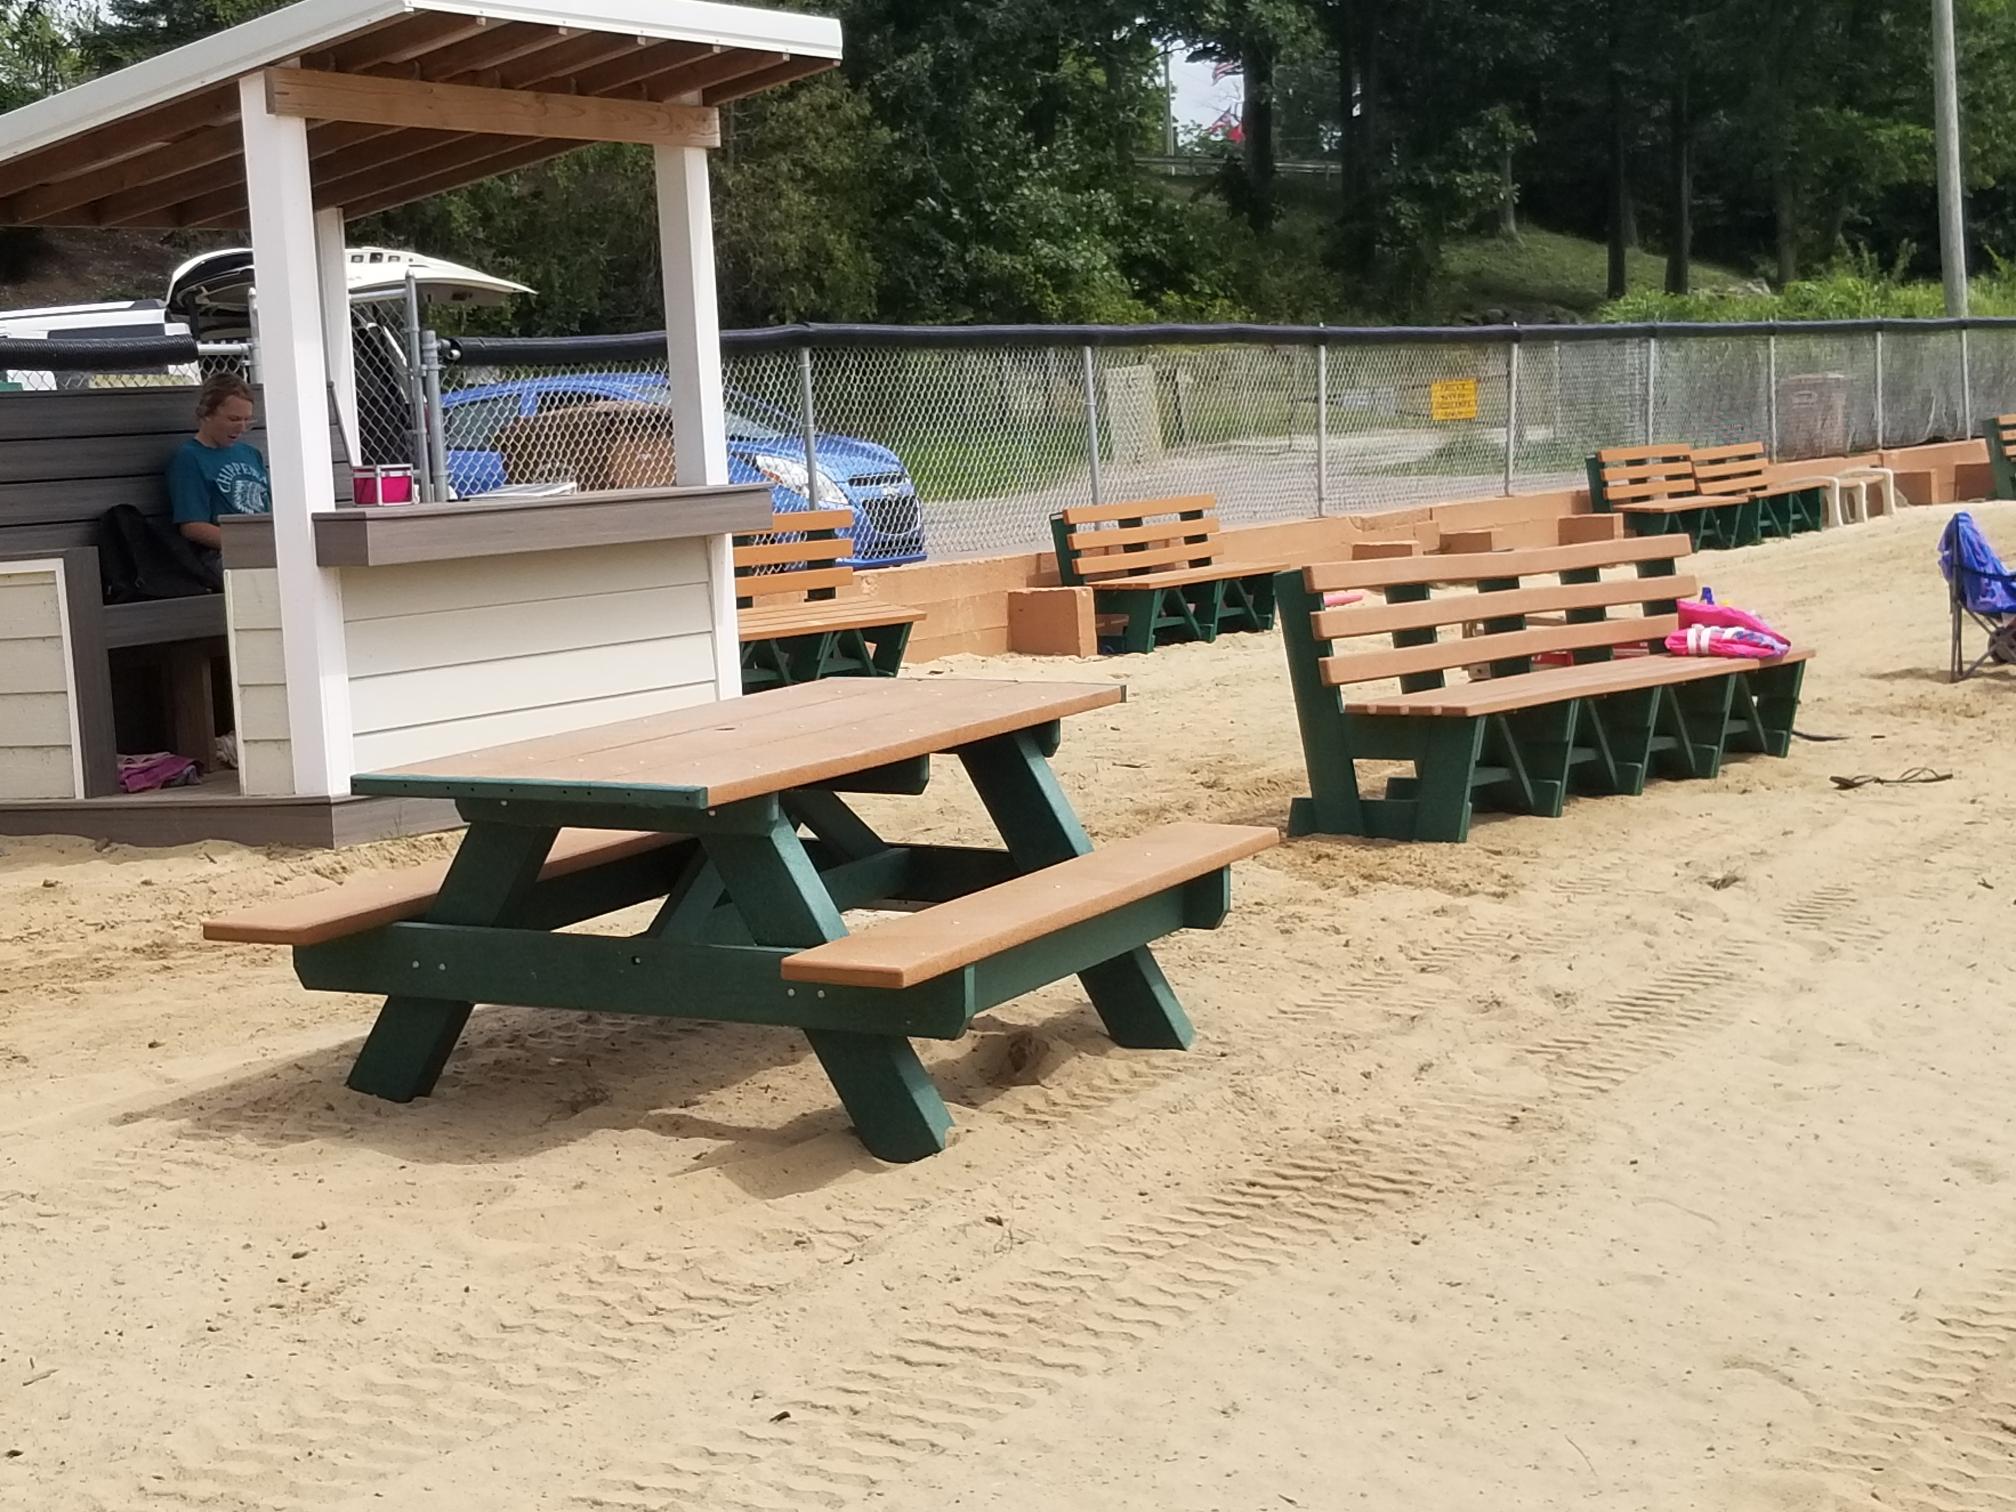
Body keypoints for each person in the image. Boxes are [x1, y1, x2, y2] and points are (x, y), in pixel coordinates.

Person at [169, 374, 270, 551]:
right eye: (233, 419)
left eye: (247, 420)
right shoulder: (190, 458)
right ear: (207, 414)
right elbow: (192, 526)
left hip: (263, 540)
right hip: (224, 551)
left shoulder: (251, 453)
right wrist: (248, 545)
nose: (242, 428)